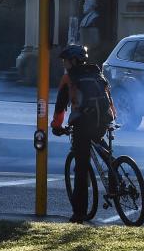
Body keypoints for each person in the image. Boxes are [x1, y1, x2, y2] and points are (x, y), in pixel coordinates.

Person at [50, 44, 116, 224]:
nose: (65, 64)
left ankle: (79, 214)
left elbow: (60, 107)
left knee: (81, 168)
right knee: (105, 151)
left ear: (73, 61)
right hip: (102, 121)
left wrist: (56, 126)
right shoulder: (97, 73)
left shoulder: (69, 78)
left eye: (66, 61)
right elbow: (108, 98)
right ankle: (116, 183)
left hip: (82, 124)